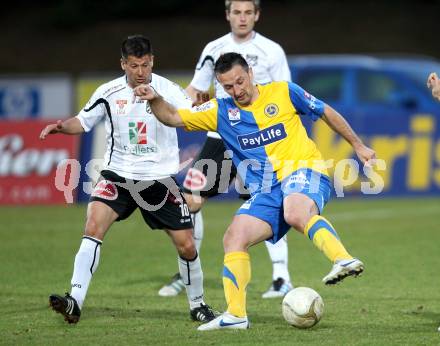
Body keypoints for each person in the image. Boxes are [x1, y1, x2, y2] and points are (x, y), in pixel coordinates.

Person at [133, 52, 376, 331]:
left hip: (305, 171)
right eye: (228, 87)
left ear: (250, 72)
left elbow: (325, 112)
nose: (237, 91)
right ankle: (236, 315)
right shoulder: (221, 110)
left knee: (296, 211)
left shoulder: (284, 91)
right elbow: (172, 116)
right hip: (267, 191)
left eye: (240, 82)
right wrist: (153, 98)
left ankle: (343, 258)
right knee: (234, 237)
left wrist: (357, 145)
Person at [39, 35, 216, 324]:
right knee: (93, 226)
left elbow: (191, 114)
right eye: (134, 65)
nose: (140, 72)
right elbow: (82, 121)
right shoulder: (108, 92)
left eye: (145, 65)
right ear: (123, 64)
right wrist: (62, 127)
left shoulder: (168, 89)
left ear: (152, 62)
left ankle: (198, 304)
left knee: (187, 246)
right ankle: (75, 300)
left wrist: (203, 108)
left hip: (158, 179)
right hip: (117, 176)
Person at [158, 0, 294, 300]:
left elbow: (285, 94)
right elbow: (194, 90)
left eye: (248, 12)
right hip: (219, 137)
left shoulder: (272, 51)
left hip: (258, 140)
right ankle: (187, 271)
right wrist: (179, 105)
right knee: (191, 199)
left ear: (257, 15)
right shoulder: (213, 48)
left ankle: (281, 277)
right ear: (227, 15)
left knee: (268, 201)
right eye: (237, 12)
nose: (242, 18)